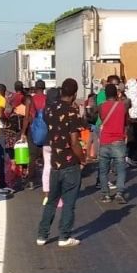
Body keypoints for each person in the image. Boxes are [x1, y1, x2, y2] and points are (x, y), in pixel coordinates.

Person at [36, 78, 87, 248]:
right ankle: (64, 236)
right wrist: (83, 158)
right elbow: (74, 142)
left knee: (51, 200)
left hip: (54, 163)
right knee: (69, 202)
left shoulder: (49, 109)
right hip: (69, 162)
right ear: (74, 94)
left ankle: (42, 235)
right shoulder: (72, 112)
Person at [97, 83, 129, 204]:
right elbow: (126, 122)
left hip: (105, 141)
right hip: (118, 141)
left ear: (105, 95)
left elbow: (102, 118)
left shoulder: (101, 107)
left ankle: (105, 194)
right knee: (121, 170)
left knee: (103, 170)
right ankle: (120, 193)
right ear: (116, 94)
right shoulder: (123, 106)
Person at [25, 80, 48, 190]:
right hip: (46, 130)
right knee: (45, 157)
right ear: (44, 88)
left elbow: (26, 117)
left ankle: (31, 181)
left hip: (33, 130)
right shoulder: (48, 99)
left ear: (35, 88)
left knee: (32, 157)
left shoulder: (31, 99)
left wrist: (23, 132)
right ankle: (47, 180)